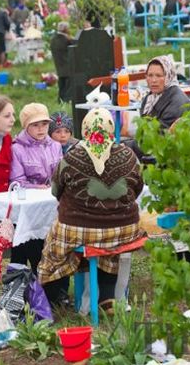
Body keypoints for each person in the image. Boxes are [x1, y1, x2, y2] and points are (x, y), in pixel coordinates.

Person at [38, 108, 143, 309]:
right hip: (124, 229)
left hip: (79, 229)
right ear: (111, 129)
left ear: (85, 129)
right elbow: (137, 187)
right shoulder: (128, 155)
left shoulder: (71, 157)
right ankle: (107, 294)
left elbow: (56, 190)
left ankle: (50, 294)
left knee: (53, 245)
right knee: (110, 245)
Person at [10, 103, 63, 272]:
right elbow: (17, 180)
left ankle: (56, 288)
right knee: (31, 244)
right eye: (35, 125)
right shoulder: (17, 148)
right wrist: (36, 187)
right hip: (29, 208)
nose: (41, 129)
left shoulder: (55, 146)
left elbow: (61, 174)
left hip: (51, 203)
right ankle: (34, 283)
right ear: (26, 126)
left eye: (45, 124)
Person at [139, 56, 190, 130]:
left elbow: (160, 135)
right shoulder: (150, 97)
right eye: (150, 75)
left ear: (168, 76)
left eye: (159, 75)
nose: (153, 80)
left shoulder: (176, 101)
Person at [49, 22, 75, 103]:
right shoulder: (66, 40)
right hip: (67, 65)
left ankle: (60, 100)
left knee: (62, 84)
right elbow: (74, 47)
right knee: (68, 85)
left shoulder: (53, 39)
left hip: (59, 65)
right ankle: (66, 100)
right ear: (66, 29)